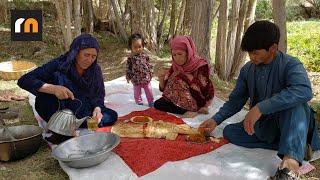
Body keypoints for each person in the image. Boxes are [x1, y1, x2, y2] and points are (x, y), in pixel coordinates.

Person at [199, 20, 320, 179]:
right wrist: (216, 119)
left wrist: (261, 107)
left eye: (256, 53)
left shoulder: (291, 64)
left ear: (273, 48)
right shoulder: (247, 70)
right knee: (230, 132)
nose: (251, 57)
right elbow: (236, 101)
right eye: (249, 53)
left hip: (291, 120)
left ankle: (290, 164)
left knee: (296, 106)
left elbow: (303, 91)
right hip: (266, 125)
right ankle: (296, 145)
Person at [18, 34, 118, 142]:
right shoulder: (59, 64)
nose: (89, 60)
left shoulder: (95, 70)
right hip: (56, 107)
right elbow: (24, 80)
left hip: (79, 107)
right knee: (57, 78)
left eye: (93, 56)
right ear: (76, 53)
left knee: (111, 116)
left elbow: (98, 94)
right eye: (86, 55)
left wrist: (97, 109)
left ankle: (69, 126)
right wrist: (53, 88)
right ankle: (62, 127)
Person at [154, 35, 215, 118]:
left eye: (180, 54)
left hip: (197, 99)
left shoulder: (200, 65)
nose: (177, 58)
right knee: (157, 104)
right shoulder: (175, 66)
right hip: (178, 99)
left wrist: (188, 78)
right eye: (174, 55)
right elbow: (163, 89)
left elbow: (204, 90)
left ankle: (194, 109)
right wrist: (161, 79)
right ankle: (187, 109)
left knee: (179, 77)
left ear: (188, 52)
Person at [126, 33, 154, 107]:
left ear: (143, 46)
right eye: (135, 47)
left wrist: (151, 73)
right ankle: (139, 104)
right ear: (131, 47)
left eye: (140, 46)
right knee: (137, 93)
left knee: (149, 91)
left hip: (146, 79)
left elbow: (149, 65)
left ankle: (151, 103)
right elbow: (128, 68)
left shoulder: (145, 56)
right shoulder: (130, 58)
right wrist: (128, 77)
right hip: (136, 80)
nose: (138, 49)